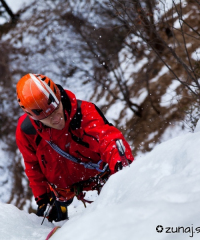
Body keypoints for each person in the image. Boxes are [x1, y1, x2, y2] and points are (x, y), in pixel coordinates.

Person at [15, 73, 134, 222]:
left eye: (55, 108)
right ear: (33, 118)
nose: (56, 118)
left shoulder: (83, 113)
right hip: (61, 191)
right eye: (47, 117)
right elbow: (32, 165)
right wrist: (42, 198)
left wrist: (122, 166)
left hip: (99, 178)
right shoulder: (27, 132)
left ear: (58, 96)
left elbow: (107, 138)